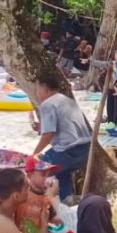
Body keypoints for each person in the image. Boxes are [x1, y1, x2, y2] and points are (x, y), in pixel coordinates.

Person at [31, 69, 93, 200]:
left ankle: (34, 203)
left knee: (35, 167)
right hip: (86, 150)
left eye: (38, 88)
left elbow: (49, 134)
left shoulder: (48, 104)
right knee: (62, 174)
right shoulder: (67, 100)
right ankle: (67, 204)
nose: (37, 93)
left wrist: (34, 154)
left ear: (45, 88)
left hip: (70, 151)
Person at [16, 156, 59, 233]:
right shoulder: (21, 194)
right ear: (29, 175)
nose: (47, 178)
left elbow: (53, 218)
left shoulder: (48, 196)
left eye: (49, 174)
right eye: (43, 174)